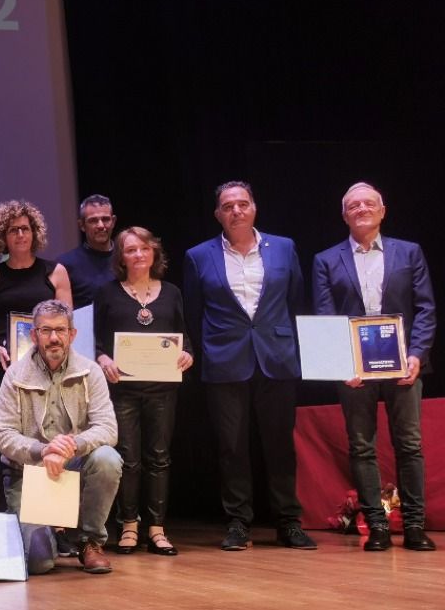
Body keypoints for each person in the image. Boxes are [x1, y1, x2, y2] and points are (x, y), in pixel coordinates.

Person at [183, 181, 316, 551]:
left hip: (276, 357)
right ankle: (239, 522)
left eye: (243, 204)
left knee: (280, 445)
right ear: (218, 214)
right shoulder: (198, 255)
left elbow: (296, 301)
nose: (236, 211)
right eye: (228, 206)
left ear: (254, 208)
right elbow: (194, 313)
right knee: (231, 447)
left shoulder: (284, 247)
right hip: (225, 361)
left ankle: (288, 522)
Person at [313, 182, 437, 552]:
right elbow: (325, 315)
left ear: (383, 211)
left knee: (410, 445)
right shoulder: (326, 259)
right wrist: (339, 364)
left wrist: (416, 355)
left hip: (404, 366)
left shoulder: (409, 252)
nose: (362, 208)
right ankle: (377, 527)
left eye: (369, 203)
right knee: (361, 446)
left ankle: (414, 526)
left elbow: (426, 308)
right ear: (344, 214)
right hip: (353, 371)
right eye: (354, 204)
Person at [0, 300, 121, 575]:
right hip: (28, 474)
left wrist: (71, 445)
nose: (54, 338)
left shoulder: (91, 372)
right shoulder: (14, 375)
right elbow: (2, 435)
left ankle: (89, 542)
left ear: (72, 334)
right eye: (46, 330)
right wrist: (43, 449)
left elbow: (109, 428)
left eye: (61, 330)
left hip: (71, 468)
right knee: (40, 563)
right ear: (33, 334)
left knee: (107, 459)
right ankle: (39, 529)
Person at [93, 227, 193, 556]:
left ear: (154, 253)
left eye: (144, 249)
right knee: (128, 460)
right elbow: (95, 341)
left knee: (159, 459)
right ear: (121, 256)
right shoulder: (107, 292)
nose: (138, 255)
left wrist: (187, 353)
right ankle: (129, 525)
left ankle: (157, 528)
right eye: (131, 250)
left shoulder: (172, 292)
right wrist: (102, 356)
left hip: (162, 389)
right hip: (122, 390)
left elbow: (184, 335)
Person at [0, 199, 73, 412]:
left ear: (34, 233)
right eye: (13, 230)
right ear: (3, 237)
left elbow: (67, 322)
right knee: (7, 431)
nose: (20, 235)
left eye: (25, 229)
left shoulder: (56, 272)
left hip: (48, 363)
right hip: (6, 364)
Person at [57, 195, 118, 308]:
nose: (100, 226)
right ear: (82, 225)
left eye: (105, 219)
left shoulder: (127, 259)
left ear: (113, 221)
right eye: (93, 221)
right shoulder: (65, 265)